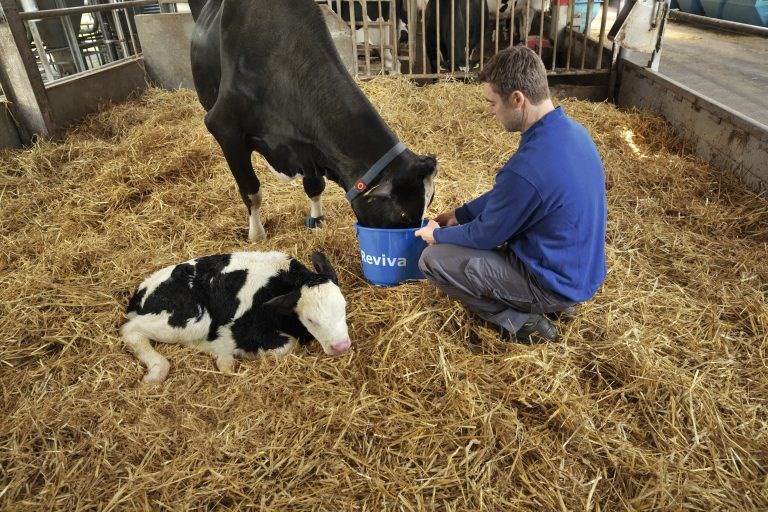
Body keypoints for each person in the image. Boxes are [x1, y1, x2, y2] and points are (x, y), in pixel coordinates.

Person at [415, 46, 607, 343]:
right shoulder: (573, 132)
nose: (490, 111)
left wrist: (437, 236)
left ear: (517, 99)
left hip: (550, 283)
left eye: (492, 102)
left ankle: (521, 321)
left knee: (433, 260)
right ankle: (561, 306)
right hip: (578, 274)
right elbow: (514, 195)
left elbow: (485, 235)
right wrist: (460, 214)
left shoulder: (527, 167)